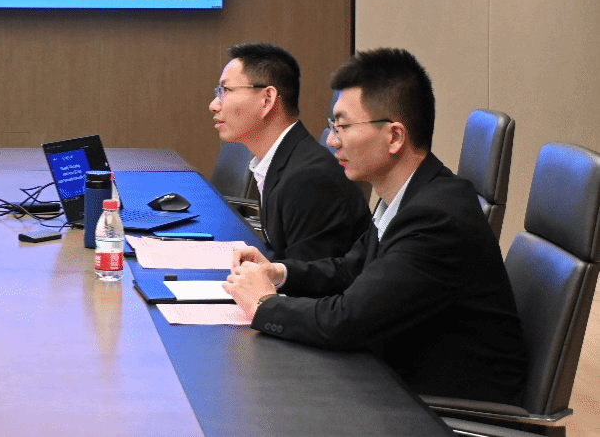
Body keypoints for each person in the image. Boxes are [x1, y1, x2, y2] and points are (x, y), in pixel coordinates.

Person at [223, 48, 527, 403]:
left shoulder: (435, 218)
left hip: (436, 402)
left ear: (395, 137)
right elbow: (349, 269)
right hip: (394, 372)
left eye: (343, 126)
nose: (332, 140)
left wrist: (264, 304)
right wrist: (279, 273)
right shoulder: (409, 193)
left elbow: (346, 321)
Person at [210, 42, 370, 261]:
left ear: (267, 99)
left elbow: (307, 276)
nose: (214, 105)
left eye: (225, 90)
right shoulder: (283, 160)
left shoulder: (308, 179)